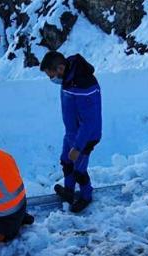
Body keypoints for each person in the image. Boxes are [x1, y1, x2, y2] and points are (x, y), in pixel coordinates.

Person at [40, 51, 102, 213]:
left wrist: (78, 147)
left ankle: (86, 196)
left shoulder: (84, 85)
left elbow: (89, 122)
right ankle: (69, 191)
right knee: (66, 161)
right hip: (72, 132)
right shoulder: (69, 78)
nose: (51, 79)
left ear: (60, 68)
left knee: (79, 168)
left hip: (85, 136)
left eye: (51, 75)